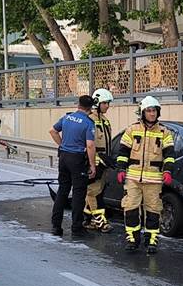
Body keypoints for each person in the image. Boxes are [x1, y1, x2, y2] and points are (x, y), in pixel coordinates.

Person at [115, 96, 174, 254]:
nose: (152, 114)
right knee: (131, 208)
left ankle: (152, 239)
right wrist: (121, 169)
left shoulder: (164, 132)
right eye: (148, 111)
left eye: (154, 110)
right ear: (142, 113)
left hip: (154, 179)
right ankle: (132, 238)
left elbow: (169, 155)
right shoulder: (132, 130)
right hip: (133, 179)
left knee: (153, 210)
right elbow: (123, 153)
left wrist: (167, 171)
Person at [49, 95, 97, 237]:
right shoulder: (89, 123)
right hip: (77, 159)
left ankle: (56, 226)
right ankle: (77, 227)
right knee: (78, 193)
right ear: (90, 108)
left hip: (63, 156)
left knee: (62, 191)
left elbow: (52, 131)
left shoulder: (67, 117)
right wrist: (92, 165)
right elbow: (90, 145)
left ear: (78, 105)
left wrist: (62, 144)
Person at [83, 89, 114, 232]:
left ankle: (88, 219)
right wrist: (92, 161)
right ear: (97, 103)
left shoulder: (105, 121)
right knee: (93, 192)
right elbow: (87, 143)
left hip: (103, 162)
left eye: (108, 103)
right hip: (93, 161)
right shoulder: (89, 120)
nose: (108, 106)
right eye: (105, 103)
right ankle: (101, 221)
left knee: (98, 191)